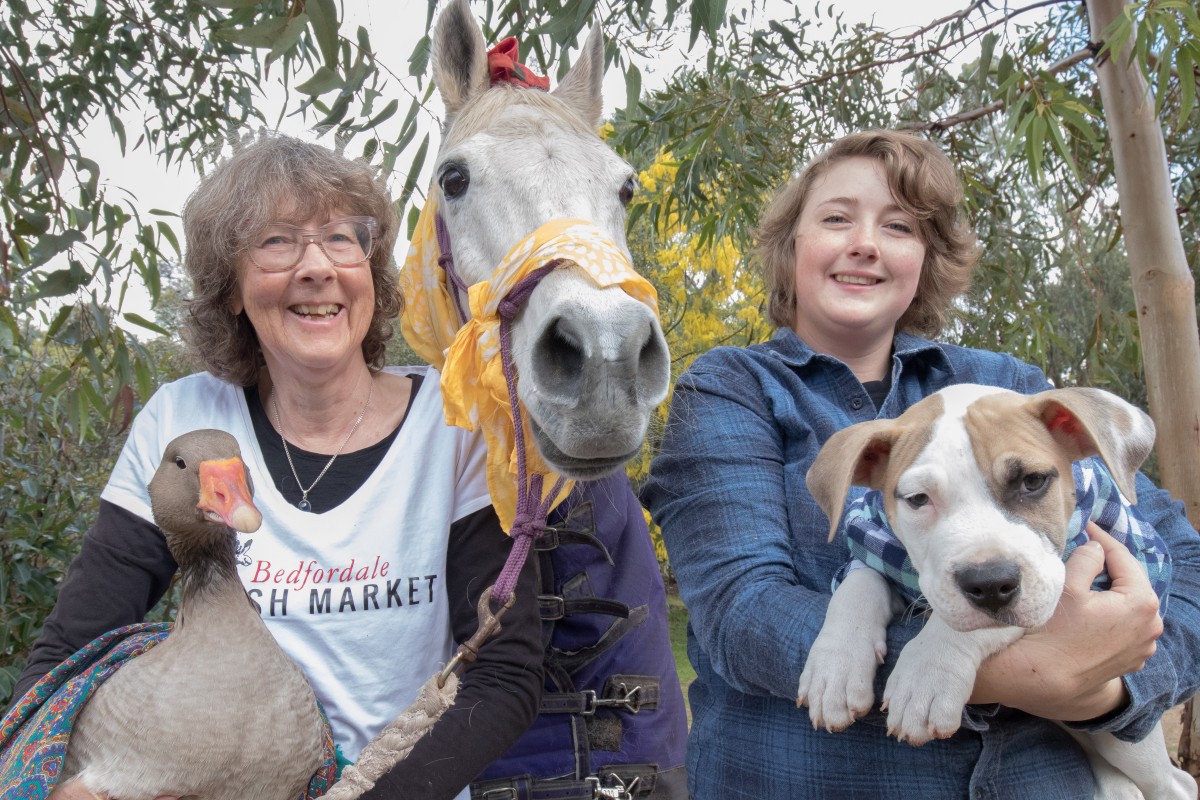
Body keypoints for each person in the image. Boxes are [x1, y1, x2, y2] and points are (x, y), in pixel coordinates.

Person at [641, 129, 1200, 799]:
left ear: (926, 259)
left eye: (899, 226)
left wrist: (1112, 689)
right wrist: (1027, 669)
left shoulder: (1010, 386)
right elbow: (743, 615)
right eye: (837, 218)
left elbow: (1186, 565)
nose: (866, 242)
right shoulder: (732, 387)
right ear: (792, 250)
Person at [11, 133, 543, 800]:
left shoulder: (455, 419)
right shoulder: (183, 420)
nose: (316, 266)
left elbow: (503, 676)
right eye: (276, 241)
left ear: (371, 274)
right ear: (230, 289)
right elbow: (72, 649)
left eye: (343, 239)